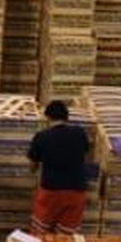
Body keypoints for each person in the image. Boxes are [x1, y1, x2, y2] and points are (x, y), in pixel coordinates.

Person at [27, 100, 91, 234]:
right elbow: (86, 155)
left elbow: (32, 165)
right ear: (67, 117)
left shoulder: (42, 137)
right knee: (65, 238)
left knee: (40, 234)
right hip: (77, 192)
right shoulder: (80, 133)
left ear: (47, 117)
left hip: (51, 191)